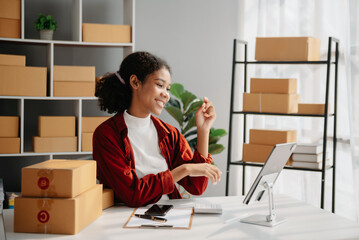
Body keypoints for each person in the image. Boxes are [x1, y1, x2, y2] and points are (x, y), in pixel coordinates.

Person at [93, 51, 222, 207]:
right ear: (135, 82)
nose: (166, 95)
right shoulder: (106, 135)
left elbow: (197, 186)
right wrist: (185, 169)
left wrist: (203, 130)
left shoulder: (169, 133)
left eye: (168, 88)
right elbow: (132, 194)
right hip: (126, 221)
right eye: (160, 85)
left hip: (170, 215)